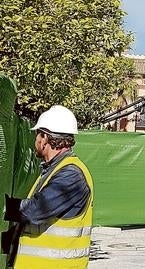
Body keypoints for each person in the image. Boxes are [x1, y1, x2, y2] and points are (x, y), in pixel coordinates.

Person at [3, 105, 93, 269]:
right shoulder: (53, 169)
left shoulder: (71, 175)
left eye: (37, 134)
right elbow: (34, 227)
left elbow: (35, 211)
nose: (35, 139)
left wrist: (4, 206)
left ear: (45, 139)